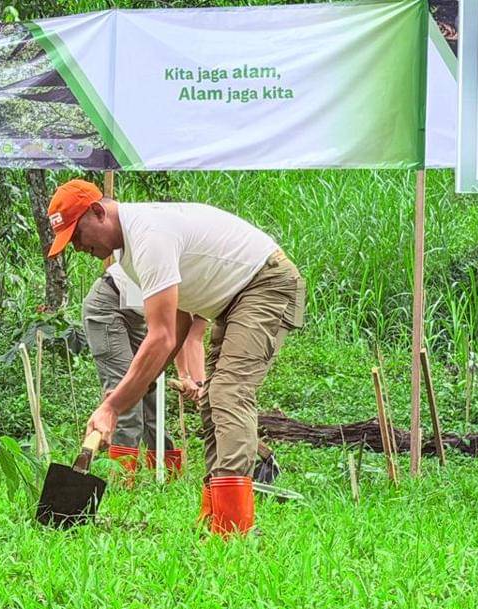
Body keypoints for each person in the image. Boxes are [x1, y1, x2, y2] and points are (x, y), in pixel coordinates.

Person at [47, 179, 304, 535]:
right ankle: (215, 516)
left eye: (77, 235)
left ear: (97, 211)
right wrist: (142, 383)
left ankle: (234, 528)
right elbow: (178, 320)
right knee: (214, 400)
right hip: (230, 300)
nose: (78, 247)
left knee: (229, 394)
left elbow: (161, 335)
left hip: (264, 283)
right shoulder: (130, 253)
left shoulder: (148, 235)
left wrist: (113, 406)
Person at [82, 259, 206, 480]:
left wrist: (196, 383)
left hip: (139, 316)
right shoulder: (191, 268)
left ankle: (169, 477)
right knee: (127, 397)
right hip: (109, 305)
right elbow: (174, 329)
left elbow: (192, 337)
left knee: (150, 395)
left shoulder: (211, 291)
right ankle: (122, 483)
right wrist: (186, 376)